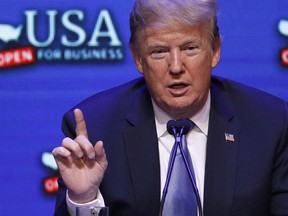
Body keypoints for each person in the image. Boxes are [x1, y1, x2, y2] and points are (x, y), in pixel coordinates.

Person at [52, 0, 288, 215]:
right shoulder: (95, 129)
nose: (176, 66)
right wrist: (84, 199)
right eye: (159, 51)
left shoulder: (271, 124)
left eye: (189, 48)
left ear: (215, 50)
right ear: (138, 58)